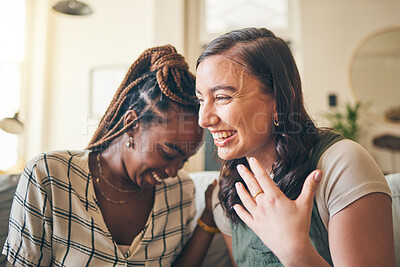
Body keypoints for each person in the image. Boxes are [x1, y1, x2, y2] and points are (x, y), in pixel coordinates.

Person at [195, 28, 396, 266]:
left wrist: (295, 251)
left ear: (279, 101)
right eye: (200, 99)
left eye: (222, 97)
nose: (204, 119)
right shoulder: (232, 186)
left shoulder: (342, 164)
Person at [2, 45, 218, 266]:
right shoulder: (49, 176)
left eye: (184, 161)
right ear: (132, 123)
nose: (174, 171)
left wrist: (209, 217)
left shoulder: (180, 191)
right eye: (168, 153)